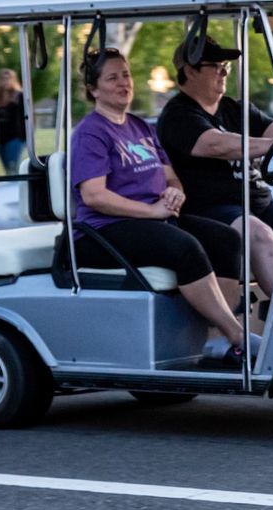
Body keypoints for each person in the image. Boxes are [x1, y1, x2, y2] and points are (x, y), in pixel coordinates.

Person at [72, 48, 250, 357]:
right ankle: (237, 335)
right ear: (93, 89)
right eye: (112, 78)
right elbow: (94, 196)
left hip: (153, 218)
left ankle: (212, 341)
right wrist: (152, 211)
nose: (123, 83)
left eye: (125, 75)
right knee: (185, 247)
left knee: (227, 239)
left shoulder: (141, 127)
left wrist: (175, 193)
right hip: (106, 229)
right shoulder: (90, 133)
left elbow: (170, 176)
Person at [156, 36, 273, 297]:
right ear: (190, 71)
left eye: (226, 66)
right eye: (215, 66)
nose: (224, 72)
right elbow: (216, 144)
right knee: (258, 234)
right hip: (209, 210)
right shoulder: (178, 115)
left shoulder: (234, 108)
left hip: (259, 204)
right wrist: (271, 143)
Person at [0, 68, 27, 173]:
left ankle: (16, 188)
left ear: (13, 80)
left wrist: (26, 137)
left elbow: (27, 117)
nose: (6, 81)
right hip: (1, 138)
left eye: (8, 79)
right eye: (3, 79)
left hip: (15, 137)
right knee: (7, 169)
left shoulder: (19, 96)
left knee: (13, 168)